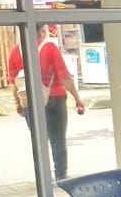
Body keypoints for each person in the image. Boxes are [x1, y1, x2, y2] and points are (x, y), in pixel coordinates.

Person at [7, 25, 86, 181]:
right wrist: (77, 99)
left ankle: (43, 177)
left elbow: (13, 82)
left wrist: (18, 102)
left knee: (38, 141)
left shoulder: (16, 51)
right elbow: (64, 76)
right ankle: (61, 176)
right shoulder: (49, 47)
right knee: (58, 140)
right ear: (42, 32)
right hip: (53, 99)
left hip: (29, 101)